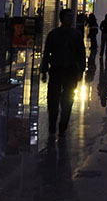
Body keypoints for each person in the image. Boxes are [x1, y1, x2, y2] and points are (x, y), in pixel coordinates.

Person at [41, 9, 86, 140]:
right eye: (68, 17)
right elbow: (47, 53)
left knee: (68, 100)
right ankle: (52, 124)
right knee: (53, 100)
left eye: (71, 17)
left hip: (70, 71)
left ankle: (63, 126)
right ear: (62, 18)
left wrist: (81, 70)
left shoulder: (76, 35)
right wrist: (44, 70)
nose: (70, 19)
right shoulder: (54, 34)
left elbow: (81, 53)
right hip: (56, 70)